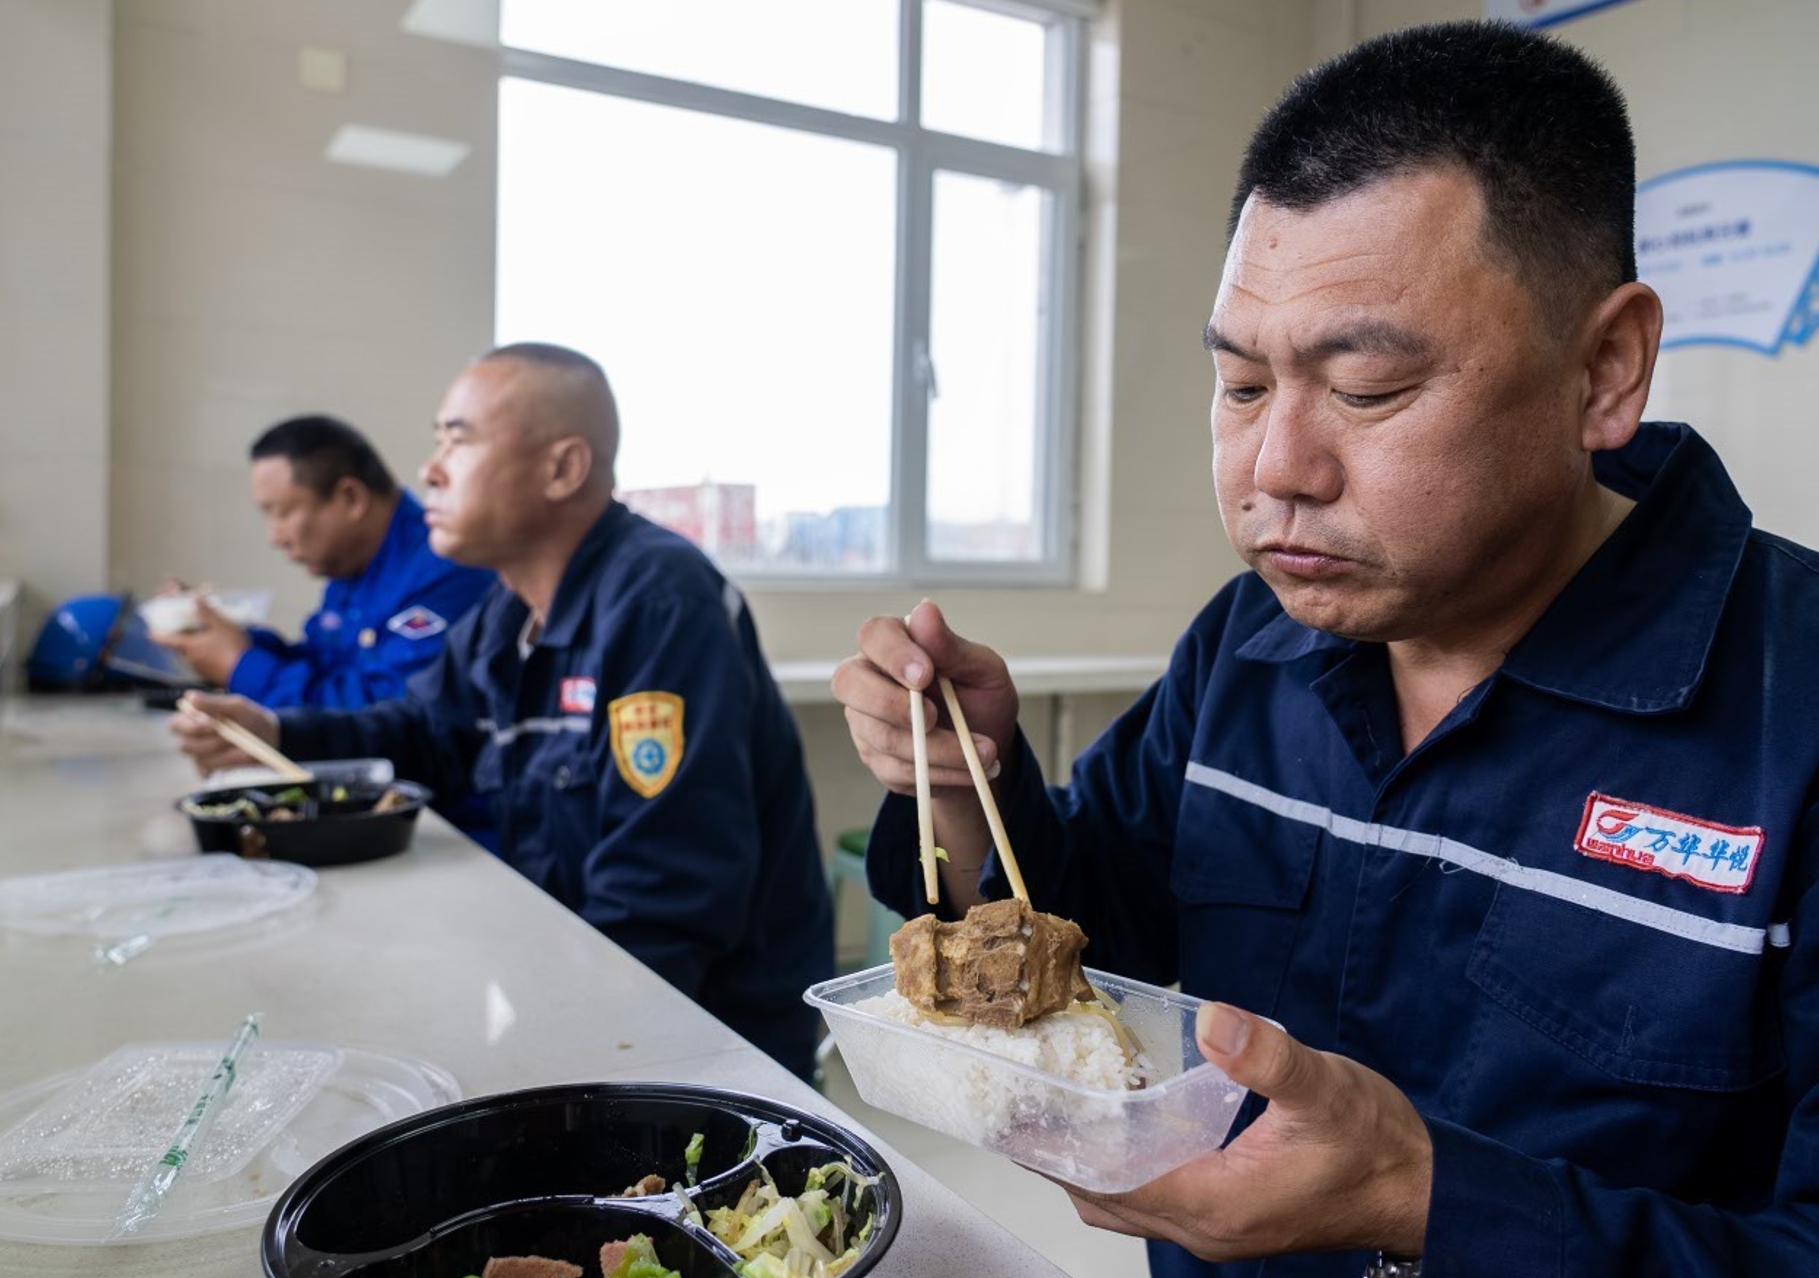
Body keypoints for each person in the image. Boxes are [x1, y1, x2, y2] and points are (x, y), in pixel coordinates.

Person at [835, 20, 1819, 1278]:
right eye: (1243, 387)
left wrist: (1426, 1199)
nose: (1272, 473)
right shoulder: (1253, 638)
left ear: (1604, 370)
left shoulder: (1790, 723)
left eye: (1363, 391)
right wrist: (964, 797)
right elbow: (1115, 925)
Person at [173, 343, 833, 1081]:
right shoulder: (505, 613)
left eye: (458, 439)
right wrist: (277, 731)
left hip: (702, 1035)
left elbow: (664, 885)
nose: (428, 470)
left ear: (561, 468)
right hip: (578, 987)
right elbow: (423, 731)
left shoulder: (655, 599)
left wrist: (567, 1056)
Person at [153, 415, 492, 709]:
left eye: (282, 513)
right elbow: (323, 666)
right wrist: (219, 634)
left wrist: (239, 665)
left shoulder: (448, 567)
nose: (275, 537)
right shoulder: (353, 566)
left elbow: (389, 714)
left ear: (351, 498)